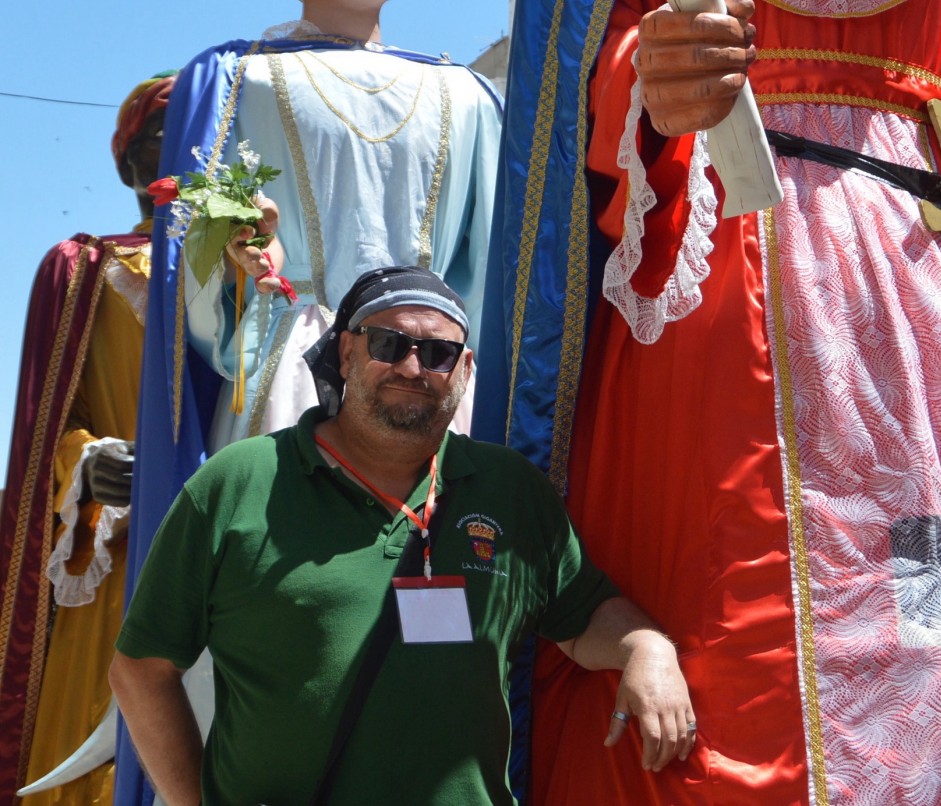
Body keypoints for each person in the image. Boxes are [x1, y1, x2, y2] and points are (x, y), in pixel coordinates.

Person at [475, 0, 941, 802]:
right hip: (724, 268)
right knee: (737, 594)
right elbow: (604, 68)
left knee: (930, 573)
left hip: (913, 297)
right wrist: (651, 76)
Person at [109, 265, 694, 805]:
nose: (413, 368)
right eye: (388, 345)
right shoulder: (238, 482)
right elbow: (141, 671)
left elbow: (582, 616)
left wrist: (649, 649)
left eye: (439, 353)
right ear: (345, 351)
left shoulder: (509, 489)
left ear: (464, 371)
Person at [122, 2, 501, 800]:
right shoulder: (236, 79)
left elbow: (495, 278)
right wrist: (239, 269)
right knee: (273, 618)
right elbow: (196, 290)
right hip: (283, 378)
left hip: (424, 386)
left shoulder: (466, 97)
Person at [0, 72, 176, 804]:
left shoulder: (260, 277)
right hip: (111, 552)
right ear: (131, 164)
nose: (188, 157)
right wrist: (89, 461)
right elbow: (44, 426)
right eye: (166, 141)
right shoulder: (84, 268)